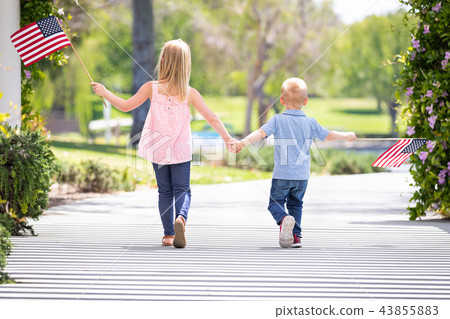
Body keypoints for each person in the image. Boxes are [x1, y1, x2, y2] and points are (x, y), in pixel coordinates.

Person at [91, 39, 235, 248]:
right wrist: (227, 138)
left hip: (158, 148)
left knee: (164, 191)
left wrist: (105, 92)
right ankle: (181, 219)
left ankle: (168, 235)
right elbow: (212, 118)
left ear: (163, 61)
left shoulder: (151, 88)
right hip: (181, 150)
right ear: (186, 65)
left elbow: (124, 106)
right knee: (183, 190)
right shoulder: (190, 93)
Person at [229, 78, 357, 248]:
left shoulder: (277, 120)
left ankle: (283, 219)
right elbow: (329, 135)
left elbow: (260, 133)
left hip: (282, 174)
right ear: (306, 101)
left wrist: (241, 143)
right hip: (302, 176)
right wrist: (346, 135)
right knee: (296, 204)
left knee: (274, 204)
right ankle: (296, 237)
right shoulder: (310, 122)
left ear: (281, 100)